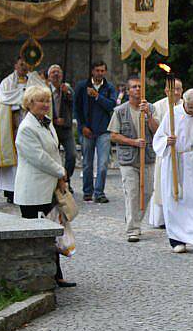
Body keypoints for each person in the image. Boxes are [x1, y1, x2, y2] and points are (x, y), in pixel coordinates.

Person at [14, 85, 75, 287]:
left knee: (52, 230)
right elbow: (39, 158)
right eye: (41, 101)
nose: (46, 104)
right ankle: (37, 277)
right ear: (30, 104)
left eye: (48, 100)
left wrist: (59, 176)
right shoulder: (27, 128)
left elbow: (53, 152)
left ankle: (56, 275)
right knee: (36, 235)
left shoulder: (45, 123)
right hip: (32, 191)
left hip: (47, 188)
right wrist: (61, 171)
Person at [152, 88, 193, 254]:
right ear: (184, 102)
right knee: (177, 201)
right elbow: (158, 138)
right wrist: (167, 141)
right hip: (177, 160)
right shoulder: (173, 114)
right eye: (191, 108)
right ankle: (177, 239)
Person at [108, 77, 159, 243]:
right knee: (132, 193)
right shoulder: (120, 111)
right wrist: (133, 142)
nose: (137, 89)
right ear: (128, 91)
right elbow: (114, 135)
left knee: (147, 191)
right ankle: (133, 228)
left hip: (148, 157)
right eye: (134, 87)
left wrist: (149, 115)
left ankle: (134, 219)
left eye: (140, 87)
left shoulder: (150, 108)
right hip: (129, 159)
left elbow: (157, 131)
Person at [0, 58, 45, 202]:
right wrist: (22, 101)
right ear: (15, 65)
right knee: (14, 160)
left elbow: (42, 95)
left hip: (30, 123)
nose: (24, 67)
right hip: (13, 124)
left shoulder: (35, 81)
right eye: (21, 64)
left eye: (26, 65)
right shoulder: (7, 83)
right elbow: (3, 99)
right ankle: (11, 191)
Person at [74, 60, 117, 203]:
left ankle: (99, 192)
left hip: (103, 130)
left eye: (102, 71)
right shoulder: (82, 86)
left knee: (103, 163)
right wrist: (82, 126)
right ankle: (88, 191)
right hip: (87, 129)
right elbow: (77, 108)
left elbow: (111, 105)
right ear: (92, 71)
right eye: (97, 70)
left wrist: (97, 96)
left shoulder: (109, 87)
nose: (100, 73)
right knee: (87, 163)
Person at [147, 77, 183, 228]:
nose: (175, 92)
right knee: (163, 184)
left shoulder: (186, 105)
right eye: (172, 89)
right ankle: (162, 219)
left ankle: (182, 215)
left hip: (183, 153)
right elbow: (156, 131)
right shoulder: (158, 106)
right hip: (166, 151)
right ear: (166, 91)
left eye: (179, 89)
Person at [47, 65, 77, 192]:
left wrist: (68, 94)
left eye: (58, 72)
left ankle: (66, 179)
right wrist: (53, 119)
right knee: (53, 156)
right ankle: (55, 182)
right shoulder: (45, 91)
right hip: (52, 129)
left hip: (66, 129)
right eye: (53, 72)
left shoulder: (67, 89)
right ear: (49, 76)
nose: (56, 75)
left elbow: (74, 103)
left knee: (72, 155)